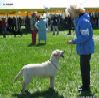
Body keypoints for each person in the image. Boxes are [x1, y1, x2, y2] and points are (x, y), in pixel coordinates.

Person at [66, 5, 94, 94]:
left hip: (86, 49)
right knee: (84, 68)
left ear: (75, 12)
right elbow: (81, 34)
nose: (69, 15)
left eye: (70, 13)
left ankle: (86, 87)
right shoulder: (79, 20)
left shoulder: (83, 21)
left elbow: (85, 37)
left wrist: (74, 41)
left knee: (85, 68)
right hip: (84, 48)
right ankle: (85, 85)